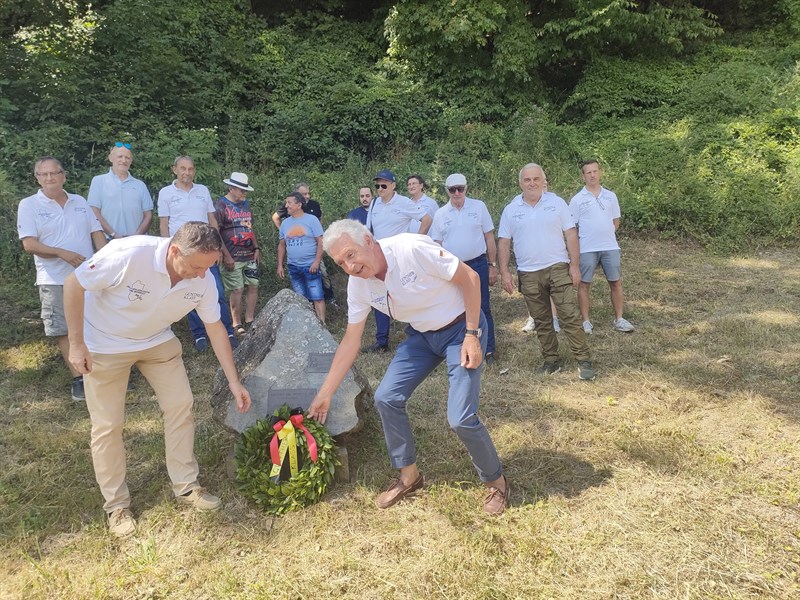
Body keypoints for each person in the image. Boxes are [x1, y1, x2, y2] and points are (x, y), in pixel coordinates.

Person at [307, 219, 509, 515]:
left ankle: (497, 483)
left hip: (460, 328)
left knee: (460, 417)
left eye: (350, 254)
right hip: (423, 336)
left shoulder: (410, 249)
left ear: (368, 240)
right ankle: (409, 476)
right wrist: (325, 393)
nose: (349, 266)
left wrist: (472, 335)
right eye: (340, 262)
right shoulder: (359, 285)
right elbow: (350, 342)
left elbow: (469, 279)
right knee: (386, 397)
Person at [63, 221, 252, 537]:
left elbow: (216, 328)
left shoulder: (202, 276)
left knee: (181, 406)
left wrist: (234, 381)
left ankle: (187, 485)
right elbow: (73, 283)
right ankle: (117, 505)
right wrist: (77, 343)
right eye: (197, 267)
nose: (203, 275)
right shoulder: (128, 253)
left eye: (210, 267)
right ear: (175, 251)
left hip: (156, 341)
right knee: (108, 425)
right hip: (105, 345)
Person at [17, 156, 107, 401]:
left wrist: (105, 259)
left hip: (86, 277)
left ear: (63, 175)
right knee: (65, 329)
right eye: (44, 174)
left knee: (94, 324)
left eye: (54, 173)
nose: (50, 178)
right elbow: (29, 244)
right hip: (53, 278)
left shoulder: (79, 201)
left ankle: (103, 372)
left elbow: (96, 232)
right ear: (37, 178)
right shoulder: (29, 205)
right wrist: (61, 253)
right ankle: (79, 379)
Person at [497, 163, 596, 380]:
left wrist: (575, 265)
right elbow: (504, 242)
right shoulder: (511, 210)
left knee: (570, 315)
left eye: (536, 179)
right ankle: (551, 360)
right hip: (528, 273)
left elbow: (571, 234)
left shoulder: (557, 203)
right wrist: (505, 272)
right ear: (520, 183)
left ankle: (584, 361)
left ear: (543, 181)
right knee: (542, 320)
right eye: (527, 180)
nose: (532, 183)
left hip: (558, 268)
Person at [157, 156, 237, 352]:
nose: (187, 172)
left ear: (194, 171)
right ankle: (199, 334)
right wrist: (168, 252)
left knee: (217, 291)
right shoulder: (166, 193)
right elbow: (164, 224)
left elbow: (212, 220)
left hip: (207, 250)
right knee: (188, 293)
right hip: (183, 252)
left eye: (190, 169)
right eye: (182, 168)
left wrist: (218, 249)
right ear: (174, 169)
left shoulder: (203, 191)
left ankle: (227, 331)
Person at [430, 173, 497, 363]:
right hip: (453, 268)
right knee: (456, 309)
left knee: (483, 307)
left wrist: (492, 266)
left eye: (460, 188)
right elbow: (436, 245)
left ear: (466, 188)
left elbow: (489, 237)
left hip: (478, 264)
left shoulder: (479, 207)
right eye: (453, 190)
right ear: (447, 191)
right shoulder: (440, 214)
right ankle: (462, 347)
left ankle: (489, 349)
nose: (457, 193)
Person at [363, 169, 433, 353]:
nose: (380, 188)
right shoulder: (375, 203)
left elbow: (426, 219)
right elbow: (370, 229)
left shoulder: (403, 202)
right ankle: (382, 341)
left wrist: (415, 242)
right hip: (379, 258)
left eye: (383, 185)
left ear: (393, 186)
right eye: (377, 185)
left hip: (399, 257)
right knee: (380, 296)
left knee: (407, 293)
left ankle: (418, 335)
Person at [569, 160, 635, 334]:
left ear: (600, 173)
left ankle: (619, 319)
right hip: (586, 249)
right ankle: (586, 322)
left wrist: (605, 234)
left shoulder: (610, 196)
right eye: (588, 172)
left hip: (610, 247)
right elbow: (572, 227)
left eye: (595, 171)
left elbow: (616, 222)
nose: (592, 175)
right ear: (583, 176)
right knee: (584, 284)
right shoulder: (577, 200)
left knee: (616, 282)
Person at [271, 182, 333, 303]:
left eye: (308, 193)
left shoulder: (314, 205)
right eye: (304, 194)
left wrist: (317, 230)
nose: (307, 196)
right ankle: (308, 309)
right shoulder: (288, 211)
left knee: (323, 275)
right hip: (294, 263)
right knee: (301, 293)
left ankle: (330, 298)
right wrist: (283, 232)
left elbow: (320, 219)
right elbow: (275, 218)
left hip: (314, 253)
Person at [216, 172, 260, 334]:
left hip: (249, 253)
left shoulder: (246, 204)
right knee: (237, 289)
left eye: (245, 190)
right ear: (231, 188)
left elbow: (249, 227)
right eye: (241, 190)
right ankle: (237, 323)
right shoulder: (220, 205)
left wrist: (256, 247)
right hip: (232, 255)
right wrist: (225, 254)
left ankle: (250, 319)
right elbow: (216, 232)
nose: (244, 193)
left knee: (253, 285)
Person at [277, 192, 326, 324]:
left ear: (299, 205)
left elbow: (320, 242)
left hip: (310, 265)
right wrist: (280, 265)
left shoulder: (311, 220)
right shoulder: (285, 223)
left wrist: (316, 262)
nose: (286, 206)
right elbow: (282, 245)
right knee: (300, 299)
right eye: (286, 203)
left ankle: (322, 325)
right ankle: (307, 325)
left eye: (289, 203)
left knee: (317, 297)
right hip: (293, 267)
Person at [87, 142, 153, 239]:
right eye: (120, 156)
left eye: (127, 158)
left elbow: (148, 215)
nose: (124, 160)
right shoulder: (98, 181)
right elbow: (94, 212)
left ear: (131, 161)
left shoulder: (140, 185)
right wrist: (113, 234)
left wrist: (136, 237)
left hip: (136, 242)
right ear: (110, 158)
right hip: (108, 241)